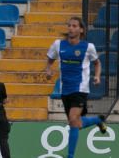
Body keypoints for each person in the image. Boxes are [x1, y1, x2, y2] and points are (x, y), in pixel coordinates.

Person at [44, 17, 107, 158]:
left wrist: (97, 76)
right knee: (76, 123)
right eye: (69, 25)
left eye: (74, 26)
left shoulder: (88, 47)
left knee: (73, 119)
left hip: (80, 89)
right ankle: (97, 120)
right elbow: (50, 59)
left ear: (81, 30)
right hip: (65, 89)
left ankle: (70, 156)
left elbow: (97, 63)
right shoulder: (58, 45)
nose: (71, 28)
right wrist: (48, 69)